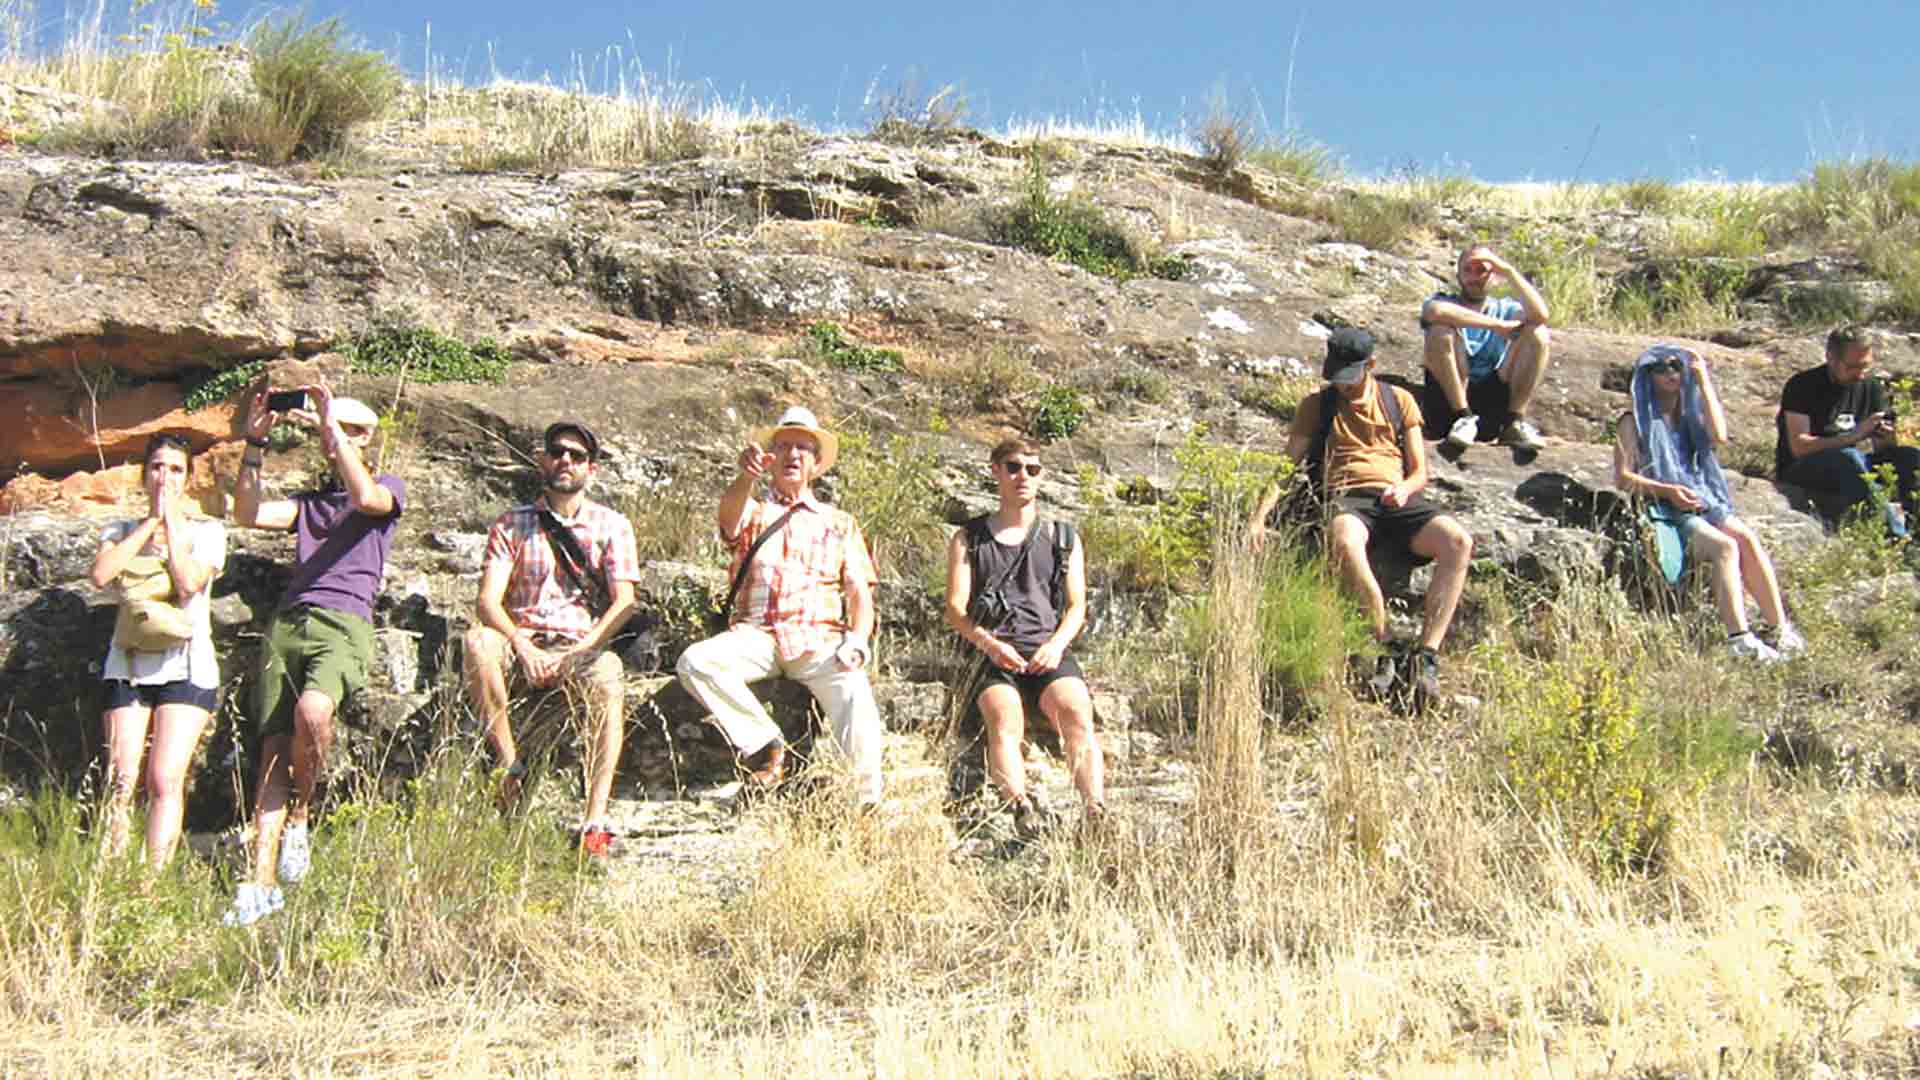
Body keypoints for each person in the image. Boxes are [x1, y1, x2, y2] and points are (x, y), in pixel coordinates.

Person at [224, 381, 404, 927]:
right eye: (334, 427)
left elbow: (367, 497)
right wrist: (254, 444)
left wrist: (331, 430)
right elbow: (248, 513)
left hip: (343, 622)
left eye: (352, 431)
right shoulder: (308, 505)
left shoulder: (386, 488)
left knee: (314, 712)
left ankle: (303, 811)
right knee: (274, 750)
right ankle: (258, 883)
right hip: (290, 622)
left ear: (368, 440)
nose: (337, 438)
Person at [675, 405, 884, 808]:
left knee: (855, 694)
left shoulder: (839, 522)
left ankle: (864, 803)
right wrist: (745, 477)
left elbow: (859, 591)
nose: (792, 455)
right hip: (756, 635)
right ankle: (766, 745)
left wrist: (857, 640)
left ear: (816, 463)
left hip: (819, 639)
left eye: (803, 448)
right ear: (770, 458)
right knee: (696, 662)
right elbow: (728, 521)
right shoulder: (755, 510)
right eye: (784, 446)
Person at [1249, 328, 1473, 697]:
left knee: (1458, 542)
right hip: (1346, 497)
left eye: (1350, 377)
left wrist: (1403, 488)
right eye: (1336, 377)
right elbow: (1286, 468)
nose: (1343, 385)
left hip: (1395, 496)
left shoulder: (1398, 400)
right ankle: (1383, 645)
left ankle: (1426, 657)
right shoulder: (1316, 406)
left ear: (1371, 365)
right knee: (1344, 541)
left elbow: (1419, 471)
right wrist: (1258, 518)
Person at [465, 422, 638, 857]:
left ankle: (594, 819)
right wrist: (522, 646)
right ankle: (509, 767)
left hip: (578, 642)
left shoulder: (611, 525)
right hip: (521, 637)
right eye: (558, 452)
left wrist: (583, 649)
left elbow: (624, 602)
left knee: (609, 679)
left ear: (591, 469)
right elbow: (488, 600)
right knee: (478, 643)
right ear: (543, 460)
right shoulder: (511, 524)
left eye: (577, 456)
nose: (566, 461)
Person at [943, 438, 1103, 835]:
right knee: (1004, 719)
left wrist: (1055, 646)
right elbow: (955, 608)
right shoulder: (969, 539)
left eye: (1032, 469)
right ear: (996, 471)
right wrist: (990, 645)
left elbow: (1076, 605)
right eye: (1013, 467)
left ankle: (1096, 810)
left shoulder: (1063, 537)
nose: (1023, 477)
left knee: (1076, 712)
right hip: (992, 652)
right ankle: (1020, 806)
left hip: (1047, 648)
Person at [89, 433, 227, 869]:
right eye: (156, 467)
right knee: (121, 778)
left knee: (164, 778)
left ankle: (151, 883)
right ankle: (110, 876)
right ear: (143, 472)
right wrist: (150, 524)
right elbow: (101, 575)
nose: (164, 477)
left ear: (188, 478)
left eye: (174, 469)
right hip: (129, 663)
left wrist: (174, 527)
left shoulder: (208, 532)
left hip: (186, 666)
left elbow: (188, 583)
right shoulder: (119, 531)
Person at [1617, 345, 1804, 662]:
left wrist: (1704, 382)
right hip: (1666, 509)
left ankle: (1780, 629)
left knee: (1745, 538)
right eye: (1660, 368)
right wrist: (1666, 491)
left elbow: (1719, 436)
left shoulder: (1689, 415)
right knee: (1724, 548)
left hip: (1704, 499)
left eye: (1676, 366)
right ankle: (1739, 640)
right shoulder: (1631, 421)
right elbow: (1623, 478)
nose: (1671, 373)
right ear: (1646, 376)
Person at [1775, 324, 1920, 537]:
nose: (1860, 374)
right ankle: (1897, 538)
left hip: (1852, 466)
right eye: (1852, 367)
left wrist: (1887, 438)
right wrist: (1854, 436)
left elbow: (1883, 451)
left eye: (1865, 366)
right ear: (1831, 358)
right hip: (1802, 469)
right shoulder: (1802, 386)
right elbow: (1799, 447)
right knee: (1849, 457)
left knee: (1911, 457)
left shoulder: (1870, 386)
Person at [1420, 243, 1552, 455]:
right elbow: (1435, 311)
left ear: (1494, 276)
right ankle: (1463, 417)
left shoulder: (1506, 308)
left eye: (1482, 270)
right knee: (1439, 332)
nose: (1474, 277)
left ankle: (1513, 423)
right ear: (1459, 275)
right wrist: (1497, 326)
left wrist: (1508, 272)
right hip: (1448, 406)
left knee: (1538, 334)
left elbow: (1540, 315)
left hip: (1491, 399)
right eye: (1467, 270)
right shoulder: (1443, 301)